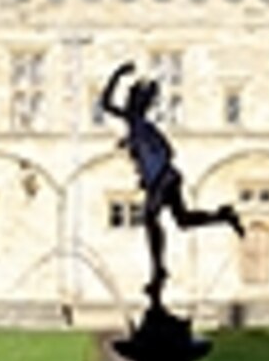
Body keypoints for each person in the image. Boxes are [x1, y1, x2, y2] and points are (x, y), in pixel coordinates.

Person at [100, 61, 242, 305]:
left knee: (149, 219)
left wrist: (117, 74)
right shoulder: (142, 127)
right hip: (169, 177)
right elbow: (163, 152)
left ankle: (158, 272)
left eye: (131, 98)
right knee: (182, 220)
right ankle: (223, 216)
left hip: (163, 179)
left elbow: (105, 103)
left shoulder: (136, 122)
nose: (127, 103)